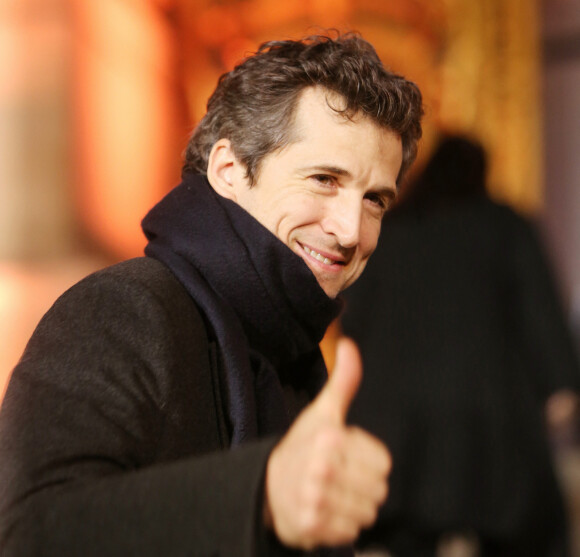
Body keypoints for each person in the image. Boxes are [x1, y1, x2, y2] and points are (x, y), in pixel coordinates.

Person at [0, 33, 424, 556]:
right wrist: (261, 495)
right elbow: (27, 532)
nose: (350, 230)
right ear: (228, 170)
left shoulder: (290, 352)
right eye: (323, 179)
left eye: (375, 200)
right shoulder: (122, 309)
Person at [341, 135, 580, 556]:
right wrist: (560, 387)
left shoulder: (390, 232)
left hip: (400, 428)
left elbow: (354, 319)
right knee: (520, 534)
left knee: (403, 540)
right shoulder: (506, 228)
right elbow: (540, 315)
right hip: (491, 425)